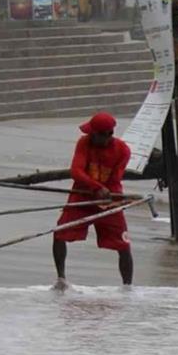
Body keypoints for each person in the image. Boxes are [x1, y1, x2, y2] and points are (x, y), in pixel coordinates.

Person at [52, 112, 132, 290]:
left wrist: (106, 193)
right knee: (59, 232)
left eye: (93, 133)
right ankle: (61, 280)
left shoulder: (123, 150)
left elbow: (115, 178)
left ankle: (128, 288)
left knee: (123, 243)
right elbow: (77, 171)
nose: (90, 136)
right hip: (83, 193)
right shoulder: (84, 142)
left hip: (110, 198)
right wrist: (95, 187)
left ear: (107, 135)